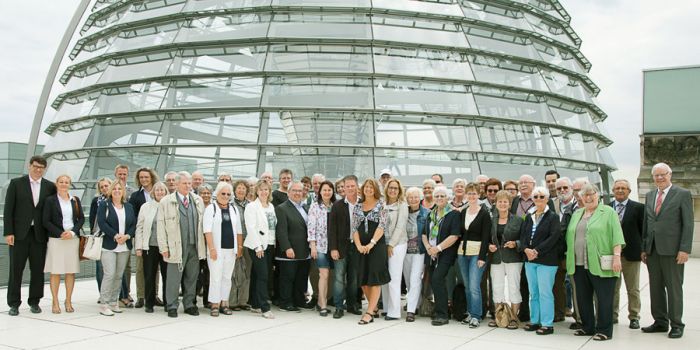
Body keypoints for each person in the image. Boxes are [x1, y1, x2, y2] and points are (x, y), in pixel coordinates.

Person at [641, 163, 694, 339]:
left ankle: (677, 324)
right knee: (655, 289)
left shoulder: (683, 194)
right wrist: (644, 247)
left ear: (670, 174)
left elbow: (688, 223)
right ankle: (660, 322)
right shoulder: (649, 195)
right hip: (652, 250)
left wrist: (684, 249)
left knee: (674, 289)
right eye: (656, 175)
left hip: (673, 251)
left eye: (662, 174)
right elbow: (647, 223)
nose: (659, 178)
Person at [566, 184, 625, 341]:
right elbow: (570, 236)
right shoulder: (577, 213)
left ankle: (604, 330)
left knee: (604, 298)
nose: (588, 197)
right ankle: (587, 327)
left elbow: (617, 235)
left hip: (601, 263)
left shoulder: (608, 212)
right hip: (578, 264)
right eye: (585, 195)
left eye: (591, 194)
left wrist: (617, 256)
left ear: (598, 195)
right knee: (583, 298)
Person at [4, 155, 57, 316]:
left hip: (39, 235)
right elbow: (8, 209)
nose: (38, 169)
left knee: (37, 270)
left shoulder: (49, 186)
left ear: (44, 169)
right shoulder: (16, 184)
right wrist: (8, 232)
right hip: (19, 234)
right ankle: (14, 304)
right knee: (16, 270)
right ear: (29, 166)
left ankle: (34, 301)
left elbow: (54, 210)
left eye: (41, 167)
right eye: (35, 166)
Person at [157, 171, 206, 318]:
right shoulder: (166, 201)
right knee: (173, 278)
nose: (188, 186)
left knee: (192, 277)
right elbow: (161, 226)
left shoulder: (197, 200)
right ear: (177, 184)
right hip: (176, 245)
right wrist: (163, 247)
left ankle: (189, 304)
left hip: (194, 246)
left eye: (189, 183)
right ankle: (171, 305)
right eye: (184, 183)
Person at [520, 186, 561, 335]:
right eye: (535, 196)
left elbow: (554, 237)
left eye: (541, 196)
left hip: (546, 260)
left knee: (545, 293)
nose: (538, 199)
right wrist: (525, 249)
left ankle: (547, 324)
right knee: (534, 292)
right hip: (529, 260)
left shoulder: (553, 217)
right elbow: (523, 235)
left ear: (547, 199)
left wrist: (537, 251)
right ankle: (535, 320)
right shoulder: (529, 215)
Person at [42, 174, 85, 314]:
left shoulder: (75, 200)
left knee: (70, 271)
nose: (64, 184)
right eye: (61, 182)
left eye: (66, 182)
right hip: (56, 239)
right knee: (55, 272)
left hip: (72, 240)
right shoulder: (50, 200)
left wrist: (72, 232)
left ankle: (68, 300)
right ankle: (55, 302)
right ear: (57, 183)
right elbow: (46, 221)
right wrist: (60, 233)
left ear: (70, 184)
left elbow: (81, 219)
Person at [353, 178, 391, 325]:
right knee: (363, 279)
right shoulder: (358, 206)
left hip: (377, 246)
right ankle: (373, 307)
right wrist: (358, 245)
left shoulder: (382, 205)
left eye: (371, 187)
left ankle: (369, 313)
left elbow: (382, 226)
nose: (368, 189)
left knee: (374, 279)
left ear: (375, 189)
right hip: (361, 246)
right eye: (366, 187)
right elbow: (354, 228)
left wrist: (371, 243)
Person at [204, 182, 244, 317]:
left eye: (228, 194)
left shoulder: (233, 209)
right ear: (217, 194)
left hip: (230, 250)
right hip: (216, 250)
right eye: (223, 193)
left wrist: (239, 247)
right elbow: (207, 231)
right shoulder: (211, 208)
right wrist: (212, 248)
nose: (226, 196)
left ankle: (224, 302)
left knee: (227, 277)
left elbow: (239, 231)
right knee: (216, 277)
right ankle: (214, 304)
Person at [97, 180, 136, 316]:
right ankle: (104, 304)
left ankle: (114, 302)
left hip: (124, 245)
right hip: (109, 245)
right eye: (114, 188)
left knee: (119, 275)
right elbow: (102, 223)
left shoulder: (129, 206)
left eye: (120, 188)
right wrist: (115, 235)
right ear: (110, 191)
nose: (117, 191)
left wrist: (127, 236)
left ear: (123, 191)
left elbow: (133, 224)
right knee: (109, 274)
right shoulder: (104, 205)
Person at [423, 186, 461, 326]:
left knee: (438, 279)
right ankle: (441, 309)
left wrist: (438, 248)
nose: (439, 198)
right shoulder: (430, 214)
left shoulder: (453, 214)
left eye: (442, 196)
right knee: (435, 281)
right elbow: (424, 234)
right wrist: (428, 247)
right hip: (431, 254)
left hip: (446, 253)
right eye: (437, 196)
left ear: (448, 198)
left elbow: (455, 235)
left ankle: (442, 314)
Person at [610, 179, 644, 329]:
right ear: (613, 191)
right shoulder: (606, 208)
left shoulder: (638, 208)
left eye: (623, 188)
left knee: (633, 288)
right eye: (617, 188)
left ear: (629, 191)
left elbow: (644, 231)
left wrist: (643, 250)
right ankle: (612, 315)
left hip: (631, 255)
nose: (620, 190)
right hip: (611, 256)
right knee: (613, 288)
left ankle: (634, 316)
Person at [487, 190, 524, 329]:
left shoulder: (518, 220)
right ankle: (499, 317)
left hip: (513, 258)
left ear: (509, 204)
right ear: (496, 203)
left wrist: (516, 244)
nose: (502, 204)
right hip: (496, 257)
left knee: (514, 287)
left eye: (505, 202)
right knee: (497, 287)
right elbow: (486, 238)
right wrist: (489, 246)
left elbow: (524, 239)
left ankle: (514, 318)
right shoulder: (491, 220)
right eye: (500, 201)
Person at [456, 183, 492, 328]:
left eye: (474, 193)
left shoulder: (484, 213)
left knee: (474, 285)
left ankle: (476, 315)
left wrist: (482, 257)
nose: (471, 196)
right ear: (465, 195)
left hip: (477, 253)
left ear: (479, 195)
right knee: (467, 286)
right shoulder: (463, 212)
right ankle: (470, 313)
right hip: (462, 253)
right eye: (469, 193)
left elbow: (486, 237)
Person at [328, 175, 362, 319]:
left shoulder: (363, 204)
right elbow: (332, 229)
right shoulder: (337, 205)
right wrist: (333, 248)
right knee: (339, 278)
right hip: (341, 247)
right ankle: (338, 307)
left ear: (357, 186)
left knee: (354, 278)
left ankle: (352, 304)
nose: (349, 188)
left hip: (358, 247)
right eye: (347, 186)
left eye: (352, 186)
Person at [275, 182, 311, 312]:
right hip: (290, 250)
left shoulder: (306, 207)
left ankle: (299, 300)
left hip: (304, 250)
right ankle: (285, 303)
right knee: (288, 278)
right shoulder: (282, 208)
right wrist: (287, 247)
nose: (297, 193)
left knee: (301, 277)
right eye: (294, 190)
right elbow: (281, 231)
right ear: (288, 192)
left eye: (299, 191)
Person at [243, 180, 276, 319]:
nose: (264, 192)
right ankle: (265, 307)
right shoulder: (252, 207)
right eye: (261, 189)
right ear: (257, 191)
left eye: (266, 189)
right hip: (257, 245)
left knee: (257, 274)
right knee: (263, 275)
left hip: (269, 245)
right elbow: (250, 227)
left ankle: (255, 304)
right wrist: (258, 246)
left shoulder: (271, 206)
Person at [135, 182, 169, 313]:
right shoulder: (146, 207)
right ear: (153, 193)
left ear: (166, 192)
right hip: (149, 247)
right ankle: (149, 303)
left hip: (166, 248)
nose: (160, 192)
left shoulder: (170, 206)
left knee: (167, 276)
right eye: (157, 190)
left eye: (162, 190)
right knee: (149, 275)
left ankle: (168, 302)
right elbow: (140, 228)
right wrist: (138, 247)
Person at [129, 167, 159, 309]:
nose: (144, 180)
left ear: (152, 177)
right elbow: (134, 218)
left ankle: (154, 295)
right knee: (141, 268)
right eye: (141, 177)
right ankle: (141, 296)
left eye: (146, 177)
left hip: (157, 238)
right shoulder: (136, 196)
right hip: (142, 236)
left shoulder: (160, 192)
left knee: (156, 268)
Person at [307, 180, 337, 316]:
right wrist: (312, 246)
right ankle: (322, 303)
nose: (327, 192)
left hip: (333, 246)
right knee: (323, 274)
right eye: (324, 190)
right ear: (320, 192)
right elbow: (311, 228)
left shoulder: (335, 206)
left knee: (329, 275)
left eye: (329, 190)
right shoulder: (315, 207)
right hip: (320, 246)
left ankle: (321, 302)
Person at [381, 178, 408, 321]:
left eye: (395, 188)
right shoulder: (382, 203)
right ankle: (386, 308)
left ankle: (394, 311)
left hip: (397, 245)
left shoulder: (402, 205)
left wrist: (391, 244)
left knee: (394, 278)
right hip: (382, 245)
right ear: (386, 189)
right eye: (390, 187)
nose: (393, 190)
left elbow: (400, 226)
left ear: (399, 190)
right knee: (384, 278)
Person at [403, 187, 429, 322]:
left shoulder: (426, 213)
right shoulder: (403, 212)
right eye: (410, 197)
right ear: (407, 199)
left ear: (420, 198)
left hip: (419, 251)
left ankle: (411, 311)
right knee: (408, 280)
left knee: (415, 279)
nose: (413, 199)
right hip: (405, 252)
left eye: (415, 196)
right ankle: (417, 303)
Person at [229, 180, 252, 310]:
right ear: (235, 190)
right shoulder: (230, 205)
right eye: (239, 188)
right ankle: (232, 301)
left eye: (244, 188)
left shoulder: (251, 205)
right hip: (234, 240)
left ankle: (243, 300)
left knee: (246, 270)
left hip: (248, 241)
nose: (241, 190)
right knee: (234, 271)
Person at [90, 177, 112, 295]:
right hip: (100, 237)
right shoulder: (96, 201)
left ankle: (120, 295)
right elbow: (92, 220)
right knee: (100, 268)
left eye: (106, 185)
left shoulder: (118, 199)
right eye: (102, 187)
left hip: (114, 238)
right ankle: (102, 294)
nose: (104, 188)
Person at [197, 184, 213, 307]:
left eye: (208, 193)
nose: (206, 195)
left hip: (211, 244)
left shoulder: (214, 207)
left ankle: (207, 300)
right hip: (198, 245)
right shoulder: (196, 206)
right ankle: (193, 297)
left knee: (208, 274)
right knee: (196, 273)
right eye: (203, 193)